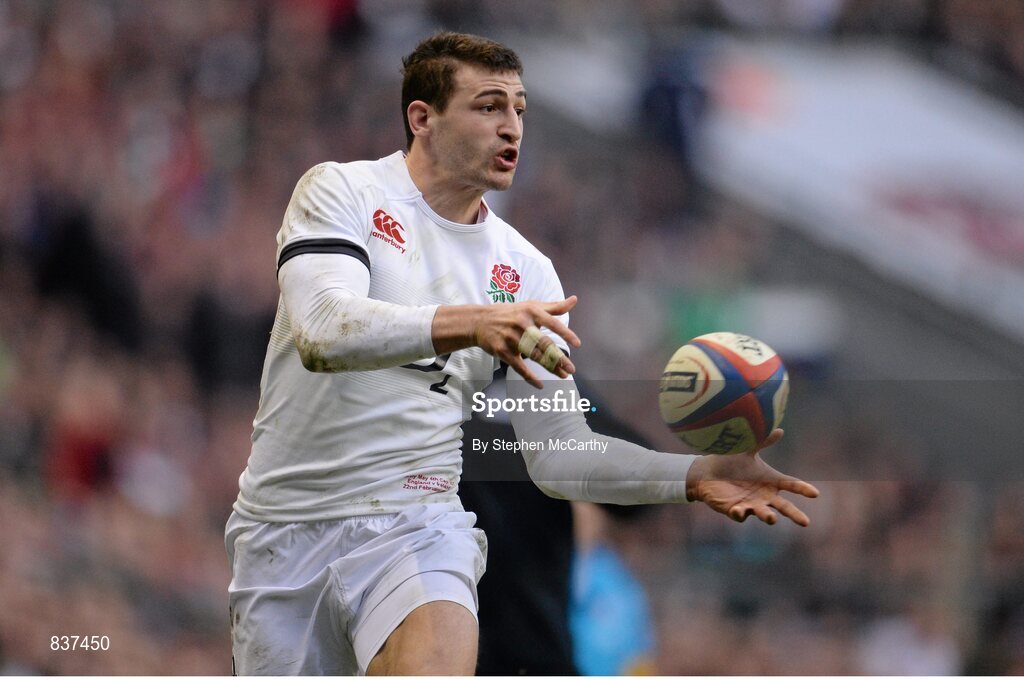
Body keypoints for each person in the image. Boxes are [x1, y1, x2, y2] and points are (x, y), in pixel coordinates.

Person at [226, 31, 819, 675]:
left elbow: (560, 452)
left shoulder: (527, 271)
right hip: (285, 529)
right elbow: (322, 331)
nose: (512, 128)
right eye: (488, 107)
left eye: (519, 109)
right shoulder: (341, 194)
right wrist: (471, 325)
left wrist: (690, 478)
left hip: (418, 524)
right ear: (422, 118)